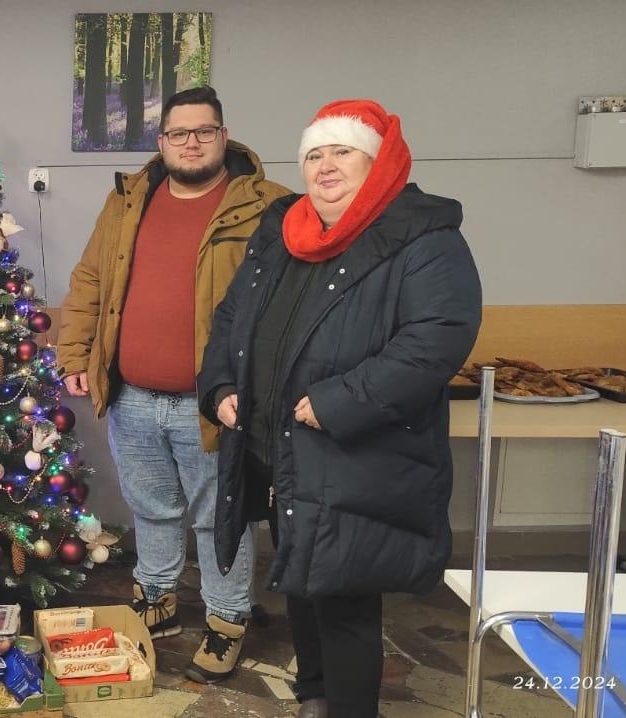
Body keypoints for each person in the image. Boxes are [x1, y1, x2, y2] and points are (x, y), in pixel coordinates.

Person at [198, 99, 483, 717]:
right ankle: (317, 695)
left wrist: (335, 403)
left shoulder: (423, 238)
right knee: (302, 579)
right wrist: (220, 388)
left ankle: (349, 708)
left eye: (342, 152)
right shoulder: (283, 231)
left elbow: (435, 338)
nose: (325, 166)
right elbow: (231, 319)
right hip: (281, 448)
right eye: (314, 155)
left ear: (377, 164)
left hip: (353, 449)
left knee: (345, 597)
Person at [57, 86, 290, 683]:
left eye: (204, 131)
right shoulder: (128, 200)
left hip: (215, 402)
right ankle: (157, 597)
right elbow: (90, 279)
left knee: (221, 516)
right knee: (152, 507)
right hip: (133, 394)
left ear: (224, 136)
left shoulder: (269, 206)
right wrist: (76, 352)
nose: (192, 142)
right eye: (179, 133)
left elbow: (292, 303)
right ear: (161, 143)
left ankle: (227, 616)